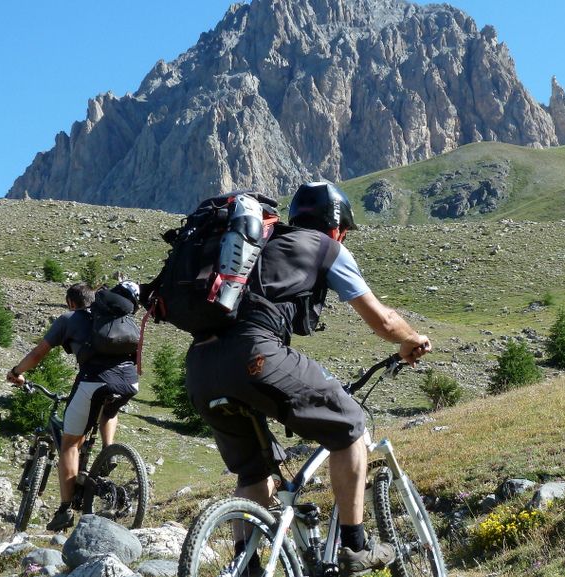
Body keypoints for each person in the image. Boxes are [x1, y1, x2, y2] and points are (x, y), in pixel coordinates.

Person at [185, 181, 431, 577]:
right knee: (350, 425)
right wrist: (412, 339)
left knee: (254, 472)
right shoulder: (326, 246)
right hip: (254, 356)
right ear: (337, 228)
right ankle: (355, 547)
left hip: (199, 368)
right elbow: (382, 320)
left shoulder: (256, 244)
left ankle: (244, 566)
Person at [6, 281, 141, 531]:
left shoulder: (69, 318)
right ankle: (108, 452)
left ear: (71, 302)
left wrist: (16, 372)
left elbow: (37, 354)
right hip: (129, 383)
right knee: (108, 409)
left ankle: (64, 510)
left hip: (94, 381)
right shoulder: (115, 318)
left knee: (69, 443)